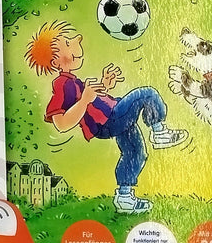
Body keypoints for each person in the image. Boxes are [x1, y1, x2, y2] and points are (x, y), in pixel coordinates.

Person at [26, 20, 187, 214]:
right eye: (67, 44)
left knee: (135, 153)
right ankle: (158, 132)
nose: (76, 41)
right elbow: (61, 123)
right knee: (146, 94)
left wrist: (105, 83)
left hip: (111, 115)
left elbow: (94, 99)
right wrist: (84, 100)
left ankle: (124, 198)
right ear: (55, 62)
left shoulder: (73, 81)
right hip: (110, 119)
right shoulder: (62, 84)